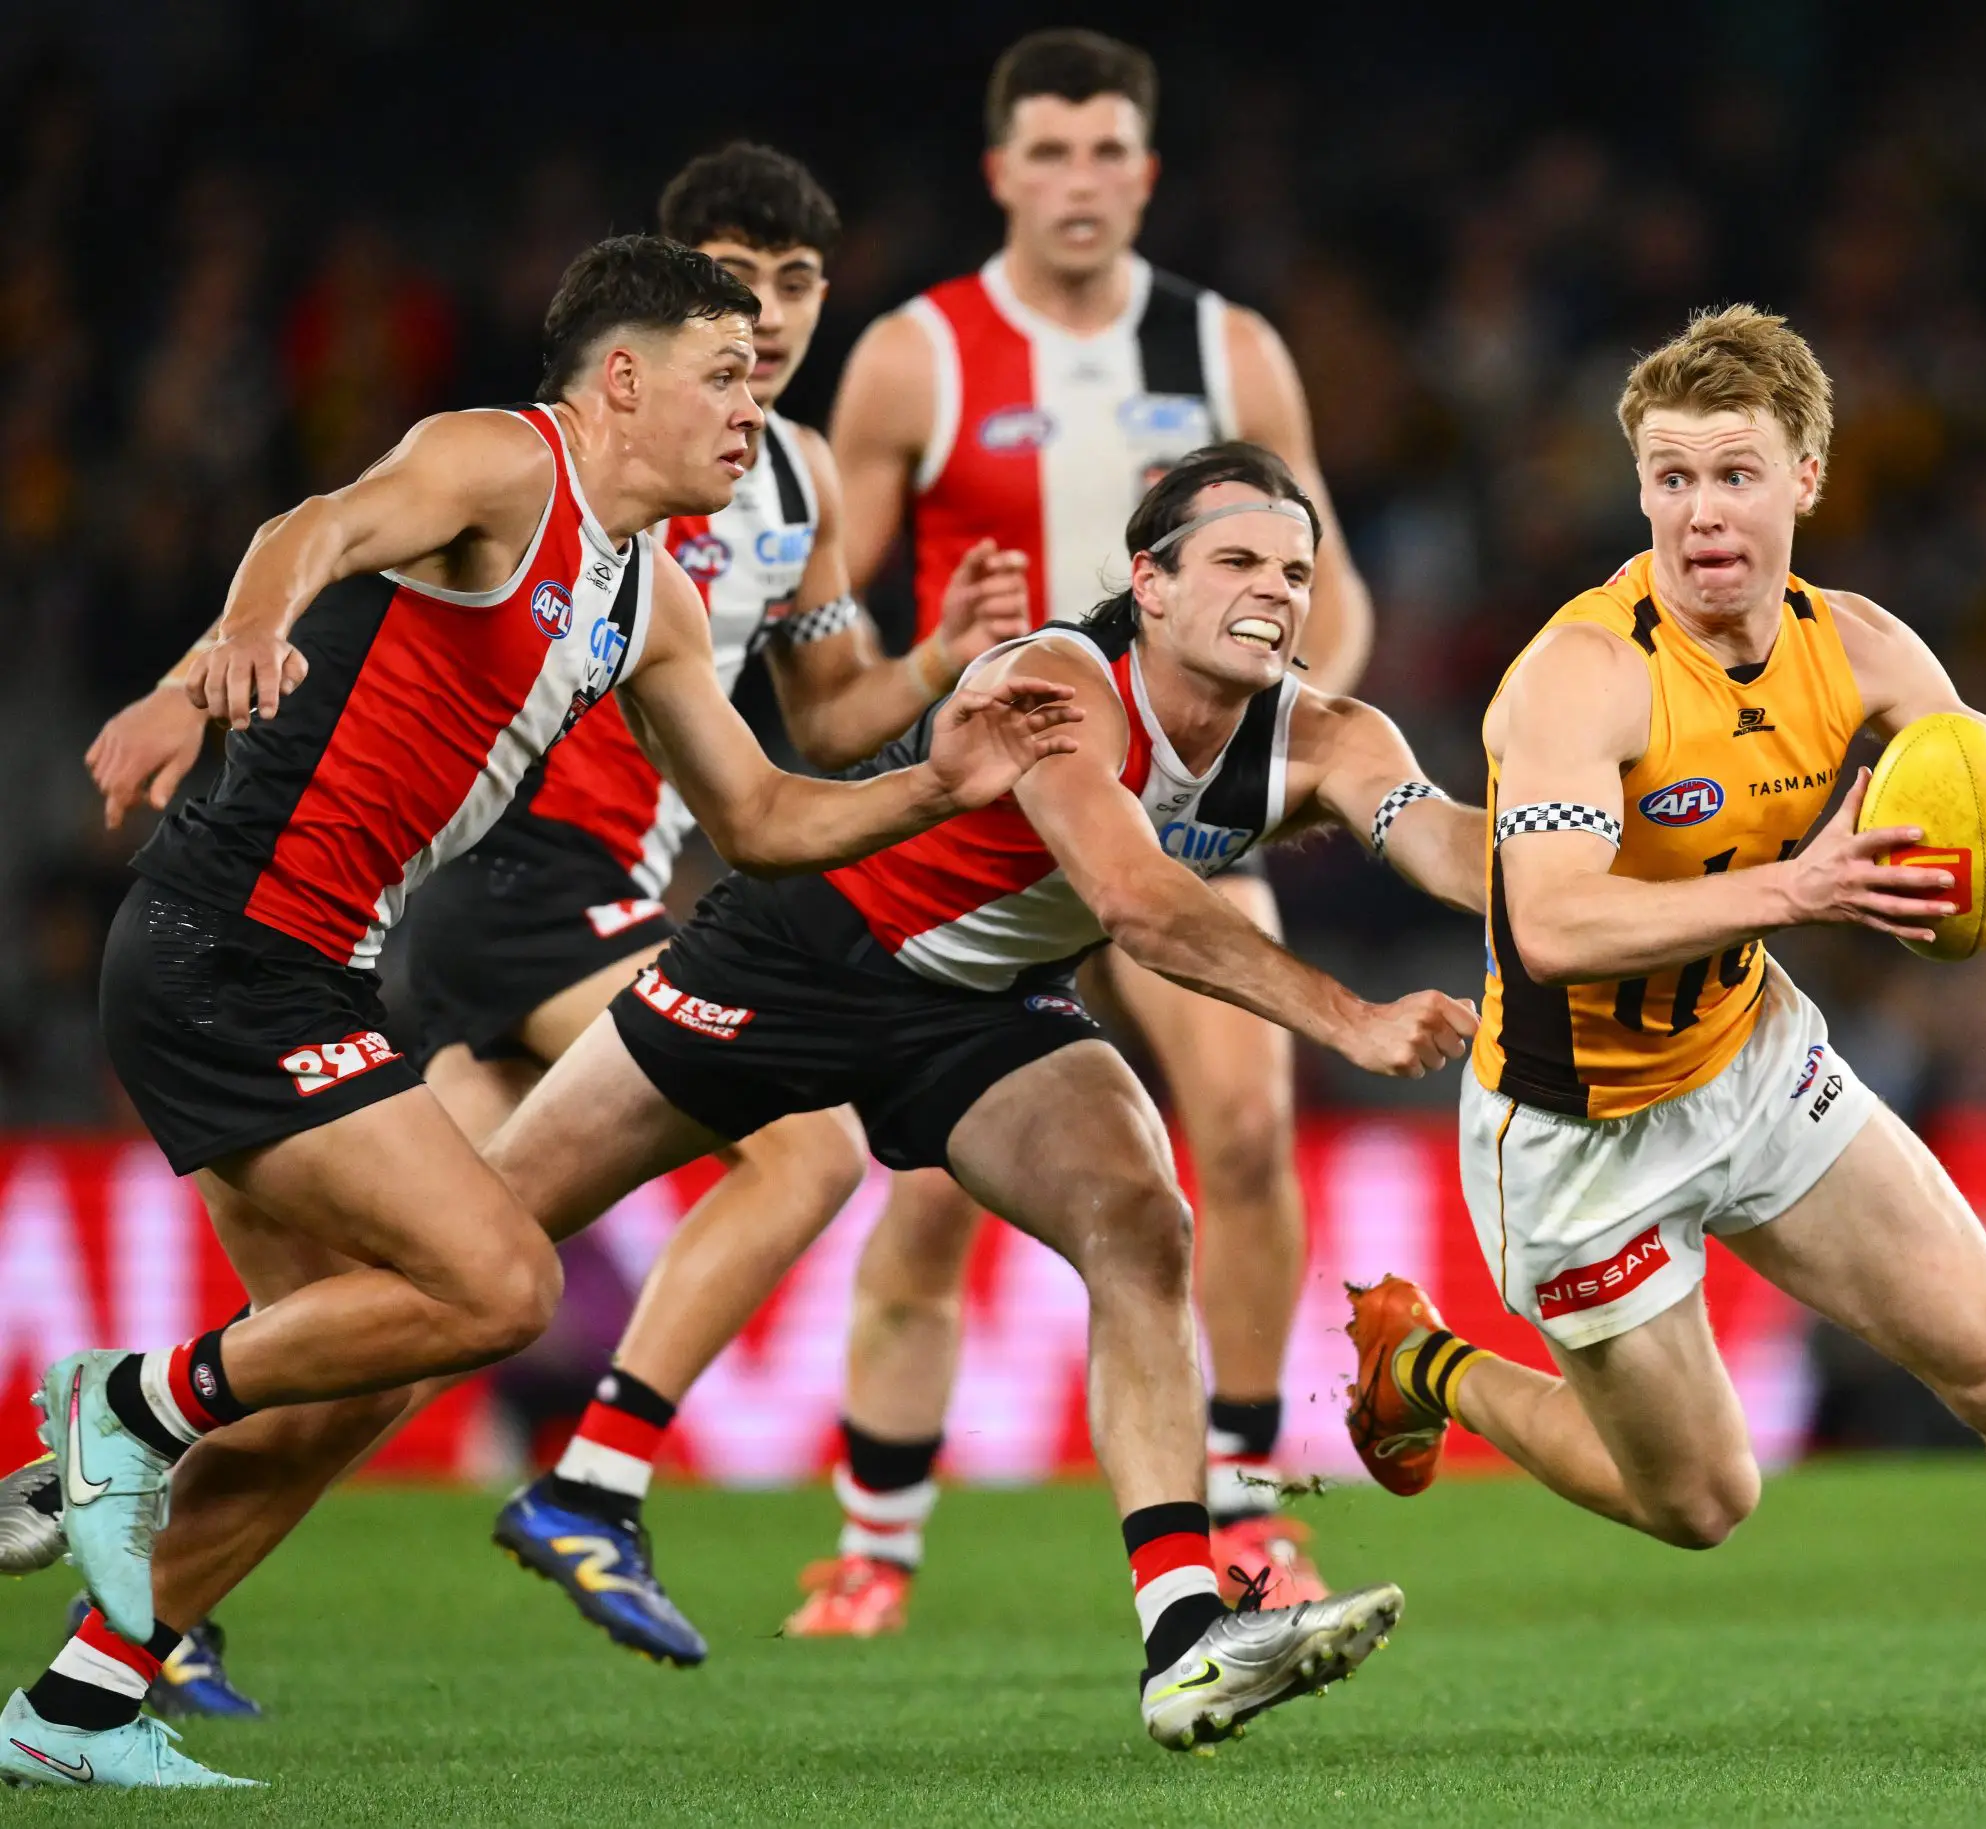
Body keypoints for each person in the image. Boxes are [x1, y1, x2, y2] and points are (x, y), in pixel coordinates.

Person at [63, 442, 1480, 1757]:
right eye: (1239, 563)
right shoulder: (1060, 678)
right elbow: (1137, 902)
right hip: (793, 958)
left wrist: (1624, 851)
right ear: (1151, 582)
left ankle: (1186, 1632)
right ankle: (131, 1590)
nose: (1275, 593)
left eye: (1296, 571)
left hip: (972, 1016)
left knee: (1140, 1220)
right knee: (443, 1300)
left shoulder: (1329, 734)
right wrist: (1346, 1016)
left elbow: (1452, 852)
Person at [1, 234, 1079, 1792]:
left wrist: (939, 779)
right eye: (724, 374)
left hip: (311, 970)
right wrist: (225, 649)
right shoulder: (502, 464)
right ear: (622, 379)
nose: (750, 406)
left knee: (342, 1394)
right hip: (223, 952)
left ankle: (81, 1708)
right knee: (500, 1283)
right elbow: (317, 522)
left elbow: (765, 817)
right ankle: (124, 1406)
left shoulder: (653, 605)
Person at [1341, 305, 1986, 1762]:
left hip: (1757, 1063)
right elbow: (1552, 926)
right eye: (1670, 478)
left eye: (1735, 474)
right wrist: (1802, 885)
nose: (1701, 512)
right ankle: (1427, 1366)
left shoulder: (1867, 650)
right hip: (1578, 1128)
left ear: (1809, 478)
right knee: (1703, 1502)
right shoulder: (1581, 675)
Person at [793, 27, 1375, 1631]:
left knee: (1247, 1128)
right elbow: (821, 599)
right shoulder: (917, 352)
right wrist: (882, 700)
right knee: (928, 1175)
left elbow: (1337, 577)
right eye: (1047, 152)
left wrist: (1293, 746)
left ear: (1146, 170)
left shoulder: (1229, 347)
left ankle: (1250, 1512)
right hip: (996, 825)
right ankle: (874, 1539)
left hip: (1183, 818)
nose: (1078, 180)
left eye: (1107, 150)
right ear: (1000, 172)